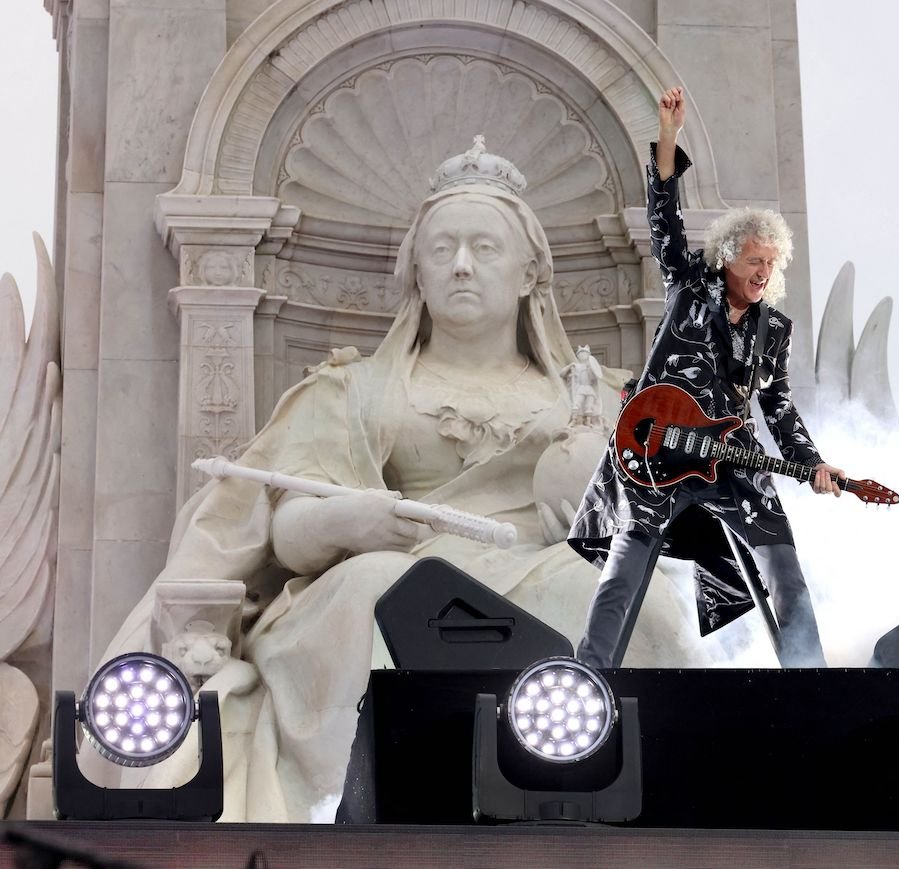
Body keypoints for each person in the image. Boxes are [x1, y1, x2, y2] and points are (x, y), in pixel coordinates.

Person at [86, 140, 715, 821]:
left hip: (545, 568)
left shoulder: (596, 395)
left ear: (531, 270)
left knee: (644, 606)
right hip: (395, 570)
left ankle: (661, 808)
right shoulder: (353, 389)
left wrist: (607, 492)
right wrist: (342, 521)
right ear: (416, 268)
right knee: (376, 590)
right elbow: (285, 529)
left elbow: (681, 524)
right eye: (442, 249)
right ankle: (355, 809)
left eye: (484, 247)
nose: (462, 266)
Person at [568, 87, 846, 669]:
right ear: (726, 259)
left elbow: (779, 407)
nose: (764, 273)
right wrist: (667, 140)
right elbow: (664, 222)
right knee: (626, 568)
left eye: (771, 263)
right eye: (754, 262)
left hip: (732, 456)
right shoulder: (691, 289)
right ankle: (590, 674)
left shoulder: (776, 329)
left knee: (784, 567)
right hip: (659, 445)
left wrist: (814, 462)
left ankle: (812, 679)